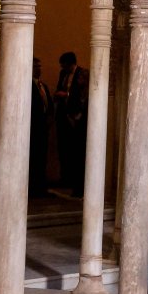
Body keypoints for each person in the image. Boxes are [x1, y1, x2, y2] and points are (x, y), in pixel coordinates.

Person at [54, 51, 89, 197]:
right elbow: (59, 89)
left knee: (77, 153)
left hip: (78, 120)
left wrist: (67, 96)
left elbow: (79, 97)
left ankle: (78, 185)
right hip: (65, 116)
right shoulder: (63, 74)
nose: (62, 67)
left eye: (64, 64)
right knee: (64, 149)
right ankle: (66, 178)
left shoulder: (82, 74)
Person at [29, 57, 53, 198]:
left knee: (42, 157)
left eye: (40, 65)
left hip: (43, 128)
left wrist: (50, 117)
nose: (39, 68)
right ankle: (32, 187)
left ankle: (40, 186)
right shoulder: (28, 85)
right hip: (32, 128)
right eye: (35, 66)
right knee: (32, 157)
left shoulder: (43, 86)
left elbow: (48, 104)